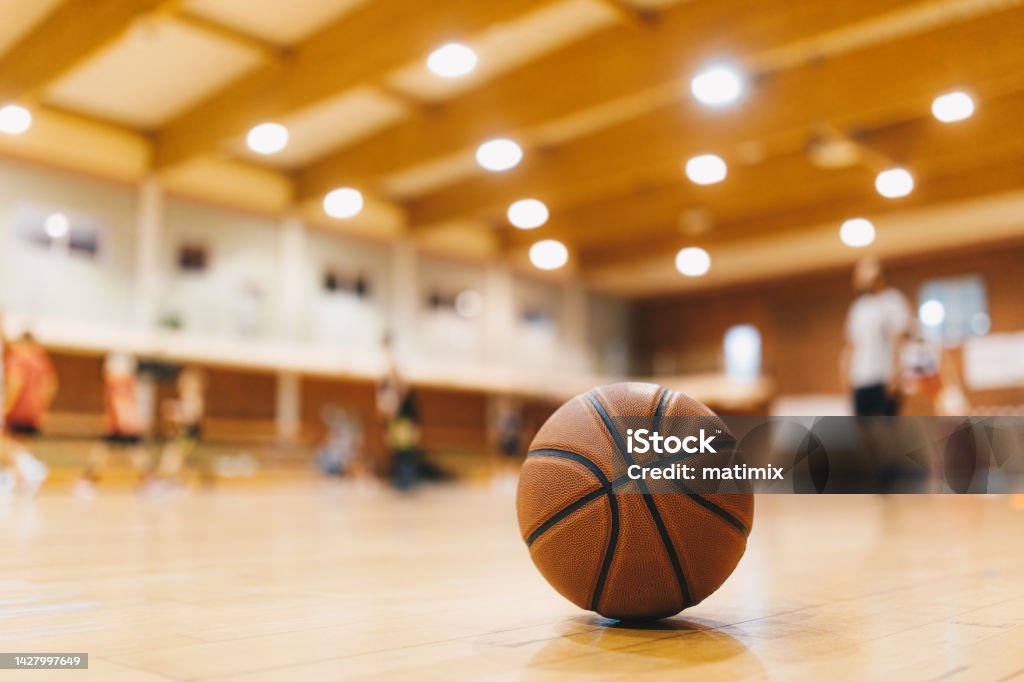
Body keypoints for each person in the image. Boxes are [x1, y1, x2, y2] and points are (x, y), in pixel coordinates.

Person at [839, 257, 911, 417]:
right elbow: (851, 345)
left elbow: (899, 341)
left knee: (887, 433)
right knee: (865, 434)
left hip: (884, 378)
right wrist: (845, 378)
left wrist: (896, 374)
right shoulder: (858, 308)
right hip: (860, 379)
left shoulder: (893, 301)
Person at [76, 352, 150, 497]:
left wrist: (125, 425)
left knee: (105, 451)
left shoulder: (118, 383)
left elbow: (121, 402)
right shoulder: (128, 382)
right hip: (122, 425)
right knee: (127, 452)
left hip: (121, 426)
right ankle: (149, 481)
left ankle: (88, 481)